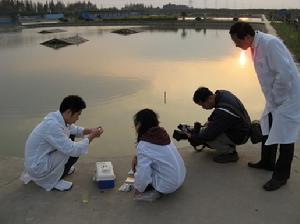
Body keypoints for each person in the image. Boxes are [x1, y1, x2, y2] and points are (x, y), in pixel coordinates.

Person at [230, 22, 300, 191]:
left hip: (288, 97)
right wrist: (272, 99)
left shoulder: (270, 44)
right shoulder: (255, 46)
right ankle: (267, 162)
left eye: (237, 41)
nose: (236, 45)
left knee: (285, 137)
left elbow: (285, 74)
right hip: (274, 98)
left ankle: (281, 176)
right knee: (267, 126)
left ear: (246, 37)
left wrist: (276, 97)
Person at [20, 95, 103, 191]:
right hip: (38, 167)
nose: (78, 118)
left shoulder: (59, 118)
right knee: (71, 150)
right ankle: (52, 180)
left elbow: (74, 129)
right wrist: (92, 136)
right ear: (68, 112)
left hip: (39, 159)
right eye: (78, 114)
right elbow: (73, 149)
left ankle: (61, 170)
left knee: (70, 137)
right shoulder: (53, 126)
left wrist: (91, 130)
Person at [131, 108, 186, 202]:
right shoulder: (162, 134)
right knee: (139, 160)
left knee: (139, 168)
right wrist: (136, 157)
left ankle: (156, 191)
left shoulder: (144, 144)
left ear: (140, 124)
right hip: (181, 178)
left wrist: (138, 189)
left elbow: (143, 173)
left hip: (168, 186)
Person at [188, 87, 251, 163]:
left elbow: (208, 135)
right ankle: (229, 144)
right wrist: (209, 122)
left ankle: (230, 153)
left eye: (203, 105)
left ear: (210, 98)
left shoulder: (223, 112)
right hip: (243, 126)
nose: (203, 108)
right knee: (208, 128)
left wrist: (194, 138)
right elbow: (218, 114)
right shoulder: (223, 93)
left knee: (209, 139)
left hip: (241, 135)